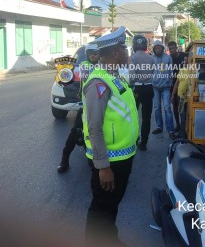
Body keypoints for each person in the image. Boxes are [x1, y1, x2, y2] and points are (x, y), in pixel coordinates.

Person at [83, 26, 139, 246]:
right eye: (124, 49)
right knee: (101, 210)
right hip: (110, 161)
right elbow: (94, 128)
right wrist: (103, 167)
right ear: (115, 53)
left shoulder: (114, 76)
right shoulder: (99, 82)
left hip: (122, 157)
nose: (128, 53)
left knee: (111, 206)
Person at [57, 43, 99, 173]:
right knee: (76, 132)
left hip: (101, 106)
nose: (93, 55)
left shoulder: (104, 66)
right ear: (87, 55)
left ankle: (94, 159)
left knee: (97, 133)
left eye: (95, 53)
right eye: (90, 53)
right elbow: (88, 76)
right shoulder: (85, 66)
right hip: (86, 107)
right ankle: (64, 160)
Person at [129, 35, 154, 150]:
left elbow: (132, 76)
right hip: (149, 88)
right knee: (146, 117)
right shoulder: (151, 58)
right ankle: (144, 142)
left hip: (137, 89)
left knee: (133, 116)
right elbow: (153, 72)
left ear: (134, 45)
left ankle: (133, 141)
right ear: (145, 45)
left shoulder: (132, 58)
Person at [151, 40, 175, 139]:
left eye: (159, 47)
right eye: (156, 48)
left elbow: (171, 71)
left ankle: (170, 130)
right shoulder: (151, 58)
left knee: (167, 108)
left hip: (166, 87)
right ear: (154, 49)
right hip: (155, 87)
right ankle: (159, 126)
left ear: (162, 48)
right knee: (157, 108)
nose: (158, 49)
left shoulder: (168, 58)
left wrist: (170, 83)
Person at [171, 52, 192, 138]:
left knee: (188, 117)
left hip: (190, 98)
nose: (185, 61)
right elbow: (177, 83)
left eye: (187, 60)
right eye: (184, 60)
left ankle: (186, 134)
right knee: (182, 116)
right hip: (181, 98)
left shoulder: (193, 70)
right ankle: (182, 134)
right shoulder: (182, 69)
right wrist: (173, 95)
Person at [167, 41, 187, 133]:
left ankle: (184, 126)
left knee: (183, 107)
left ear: (176, 47)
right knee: (175, 106)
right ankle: (178, 125)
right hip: (173, 84)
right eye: (170, 49)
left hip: (185, 84)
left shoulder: (184, 55)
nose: (172, 50)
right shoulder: (169, 58)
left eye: (173, 48)